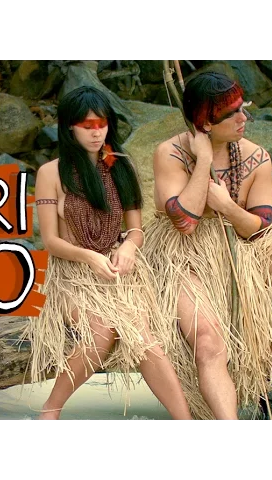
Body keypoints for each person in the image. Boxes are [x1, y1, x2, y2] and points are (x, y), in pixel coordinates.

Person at [143, 70, 272, 420]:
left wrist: (226, 206)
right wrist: (204, 161)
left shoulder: (256, 157)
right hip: (183, 262)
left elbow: (258, 230)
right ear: (205, 124)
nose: (245, 118)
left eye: (244, 108)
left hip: (240, 255)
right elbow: (185, 222)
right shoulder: (171, 153)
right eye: (233, 114)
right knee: (209, 342)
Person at [21, 85, 193, 420]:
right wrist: (89, 257)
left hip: (117, 268)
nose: (96, 132)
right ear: (69, 127)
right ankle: (50, 411)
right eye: (87, 126)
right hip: (71, 272)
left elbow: (136, 230)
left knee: (143, 338)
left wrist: (128, 246)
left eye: (101, 124)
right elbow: (51, 241)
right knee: (101, 331)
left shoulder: (120, 166)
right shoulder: (50, 172)